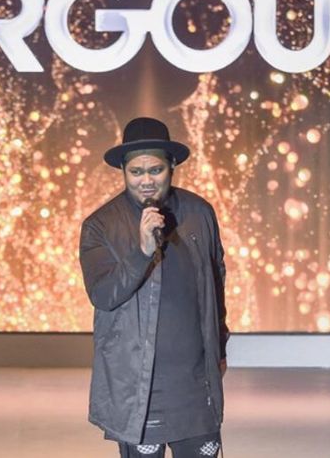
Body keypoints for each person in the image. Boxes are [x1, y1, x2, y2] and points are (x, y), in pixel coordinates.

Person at [79, 117, 229, 458]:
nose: (146, 180)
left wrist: (219, 346)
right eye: (136, 172)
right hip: (140, 387)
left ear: (172, 165)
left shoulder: (199, 212)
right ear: (123, 170)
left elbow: (216, 282)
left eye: (155, 170)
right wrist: (142, 251)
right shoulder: (101, 225)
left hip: (194, 384)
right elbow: (103, 295)